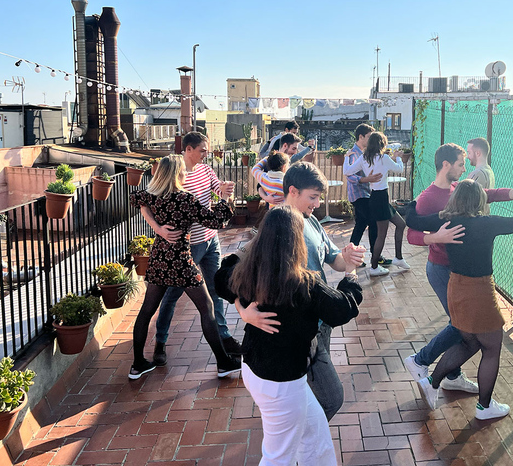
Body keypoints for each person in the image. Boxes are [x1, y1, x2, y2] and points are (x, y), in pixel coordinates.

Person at [215, 206, 362, 465]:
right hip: (280, 382)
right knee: (278, 457)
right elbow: (342, 308)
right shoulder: (303, 283)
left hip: (257, 369)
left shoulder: (249, 270)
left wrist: (241, 308)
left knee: (315, 433)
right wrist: (350, 274)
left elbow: (221, 276)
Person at [225, 162, 365, 421]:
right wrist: (242, 309)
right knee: (330, 398)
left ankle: (298, 432)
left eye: (318, 198)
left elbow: (334, 260)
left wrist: (347, 258)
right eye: (312, 197)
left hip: (319, 321)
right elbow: (229, 274)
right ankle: (302, 437)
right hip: (294, 332)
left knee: (310, 389)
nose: (316, 204)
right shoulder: (275, 226)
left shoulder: (312, 222)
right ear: (292, 191)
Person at [404, 143, 513, 393]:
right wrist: (435, 238)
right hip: (441, 269)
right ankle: (420, 361)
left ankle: (450, 375)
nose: (465, 168)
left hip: (459, 270)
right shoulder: (429, 197)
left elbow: (487, 194)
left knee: (465, 329)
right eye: (461, 164)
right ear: (446, 165)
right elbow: (411, 233)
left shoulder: (457, 189)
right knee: (460, 326)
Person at [128, 155, 241, 380]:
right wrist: (227, 200)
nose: (185, 174)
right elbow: (216, 221)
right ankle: (223, 362)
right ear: (176, 174)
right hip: (180, 261)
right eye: (182, 171)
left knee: (146, 310)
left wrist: (157, 228)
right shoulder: (185, 200)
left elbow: (135, 198)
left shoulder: (151, 195)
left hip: (159, 259)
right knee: (206, 307)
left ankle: (137, 364)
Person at [343, 131, 409, 277]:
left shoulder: (364, 158)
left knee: (400, 224)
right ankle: (374, 267)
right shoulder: (383, 158)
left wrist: (346, 159)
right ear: (382, 144)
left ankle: (398, 258)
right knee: (381, 235)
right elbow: (399, 169)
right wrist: (398, 158)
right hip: (380, 198)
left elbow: (347, 172)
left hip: (376, 197)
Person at [345, 123, 392, 268]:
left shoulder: (367, 153)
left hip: (367, 193)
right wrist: (367, 179)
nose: (371, 140)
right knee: (369, 222)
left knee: (364, 223)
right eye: (369, 137)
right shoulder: (354, 154)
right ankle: (372, 256)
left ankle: (358, 255)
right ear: (361, 137)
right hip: (359, 195)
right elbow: (350, 176)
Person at [251, 133, 304, 206]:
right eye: (293, 148)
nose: (295, 152)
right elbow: (259, 185)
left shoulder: (290, 162)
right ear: (285, 146)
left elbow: (258, 174)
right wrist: (266, 198)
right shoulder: (271, 161)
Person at [466, 137, 495, 215]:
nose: (468, 157)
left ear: (478, 153)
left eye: (469, 153)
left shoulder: (477, 174)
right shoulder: (489, 170)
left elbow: (466, 202)